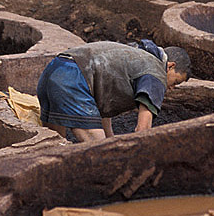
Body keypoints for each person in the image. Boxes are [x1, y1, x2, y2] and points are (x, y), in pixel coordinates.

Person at [37, 39, 192, 142]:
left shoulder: (135, 52)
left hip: (53, 69)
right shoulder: (156, 74)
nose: (171, 88)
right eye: (175, 82)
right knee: (100, 152)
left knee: (55, 144)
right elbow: (143, 130)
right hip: (73, 79)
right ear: (170, 66)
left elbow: (104, 97)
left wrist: (110, 138)